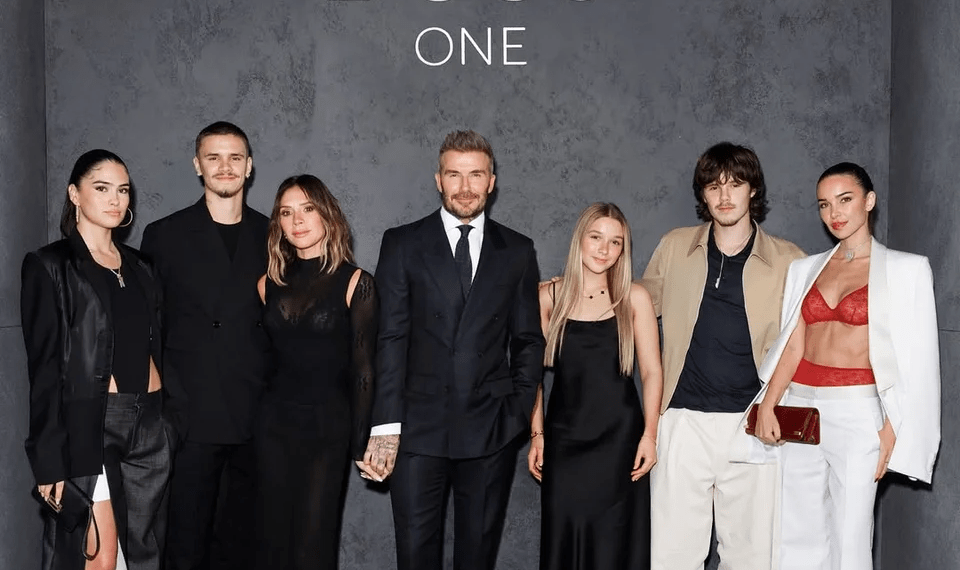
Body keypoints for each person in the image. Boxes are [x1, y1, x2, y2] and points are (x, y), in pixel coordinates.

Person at [366, 130, 545, 570]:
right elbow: (389, 338)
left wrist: (517, 413)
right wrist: (386, 426)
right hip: (417, 428)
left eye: (476, 175)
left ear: (492, 181)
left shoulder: (517, 250)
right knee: (415, 556)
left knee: (477, 558)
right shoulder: (402, 243)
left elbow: (528, 340)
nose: (465, 187)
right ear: (438, 180)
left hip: (490, 427)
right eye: (454, 175)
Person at [751, 162, 941, 570]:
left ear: (869, 201)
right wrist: (769, 403)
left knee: (851, 535)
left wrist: (893, 427)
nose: (834, 213)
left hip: (858, 413)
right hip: (801, 407)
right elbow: (793, 344)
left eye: (845, 199)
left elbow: (921, 359)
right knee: (795, 530)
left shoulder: (906, 270)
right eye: (824, 204)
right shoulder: (805, 269)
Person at [639, 142, 804, 570]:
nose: (724, 196)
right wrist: (570, 289)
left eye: (735, 184)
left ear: (753, 190)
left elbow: (809, 341)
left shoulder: (789, 260)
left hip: (752, 422)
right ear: (703, 194)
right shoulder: (675, 246)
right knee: (672, 557)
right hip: (681, 421)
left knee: (752, 557)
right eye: (713, 186)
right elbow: (633, 308)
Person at [21, 149, 174, 570]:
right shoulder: (50, 265)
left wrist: (168, 423)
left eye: (122, 190)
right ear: (75, 193)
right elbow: (44, 370)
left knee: (143, 557)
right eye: (102, 188)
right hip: (91, 423)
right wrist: (48, 461)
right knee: (99, 556)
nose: (115, 199)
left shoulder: (142, 265)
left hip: (151, 423)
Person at [140, 121, 268, 570]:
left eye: (235, 157)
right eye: (214, 157)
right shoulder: (164, 235)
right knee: (185, 546)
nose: (225, 166)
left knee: (244, 546)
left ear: (249, 167)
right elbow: (149, 328)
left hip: (255, 415)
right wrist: (167, 407)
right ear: (198, 165)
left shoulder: (274, 234)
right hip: (188, 415)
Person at [527, 202, 662, 570]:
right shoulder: (548, 297)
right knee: (563, 541)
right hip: (564, 440)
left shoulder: (634, 297)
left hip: (620, 441)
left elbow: (652, 372)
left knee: (613, 545)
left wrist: (650, 436)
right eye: (596, 237)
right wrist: (537, 435)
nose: (604, 249)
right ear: (580, 240)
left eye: (615, 242)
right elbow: (530, 376)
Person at [253, 175, 378, 568]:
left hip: (327, 429)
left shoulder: (356, 282)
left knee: (313, 545)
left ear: (326, 214)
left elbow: (364, 370)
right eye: (286, 212)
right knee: (272, 544)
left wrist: (360, 443)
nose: (297, 221)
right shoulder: (267, 284)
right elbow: (264, 363)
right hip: (272, 427)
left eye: (307, 209)